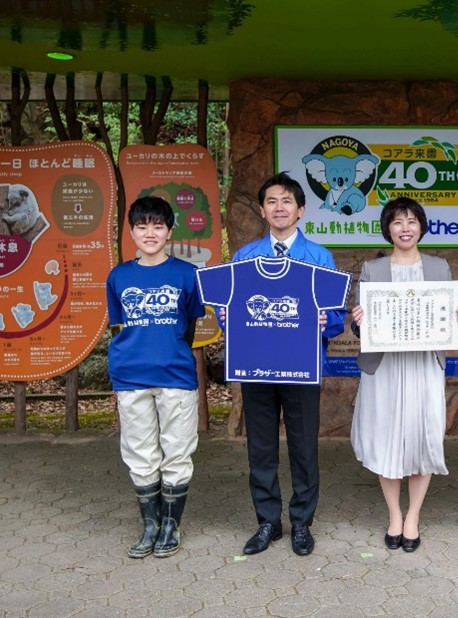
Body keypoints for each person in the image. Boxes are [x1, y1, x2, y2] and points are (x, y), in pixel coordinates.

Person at [225, 172, 347, 556]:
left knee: (303, 447)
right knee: (260, 447)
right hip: (258, 368)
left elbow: (338, 316)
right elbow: (226, 309)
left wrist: (330, 322)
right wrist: (228, 317)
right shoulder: (245, 258)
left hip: (301, 367)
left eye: (287, 201)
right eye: (272, 201)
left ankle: (301, 523)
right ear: (262, 210)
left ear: (301, 210)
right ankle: (266, 522)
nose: (280, 208)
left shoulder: (320, 257)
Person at [350, 197, 458, 553]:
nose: (405, 227)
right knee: (387, 439)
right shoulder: (372, 269)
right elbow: (362, 331)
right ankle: (394, 516)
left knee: (421, 438)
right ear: (388, 228)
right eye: (398, 221)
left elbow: (444, 319)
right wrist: (359, 322)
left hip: (422, 367)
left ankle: (413, 516)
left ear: (421, 226)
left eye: (412, 221)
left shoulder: (438, 267)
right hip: (385, 368)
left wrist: (457, 321)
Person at [106, 195, 205, 558]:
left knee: (177, 452)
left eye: (157, 226)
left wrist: (171, 352)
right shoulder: (118, 276)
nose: (150, 233)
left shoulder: (186, 274)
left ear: (169, 231)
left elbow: (190, 323)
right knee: (140, 452)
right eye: (142, 226)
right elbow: (120, 326)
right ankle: (149, 525)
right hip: (130, 375)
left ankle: (170, 525)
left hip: (176, 375)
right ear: (131, 231)